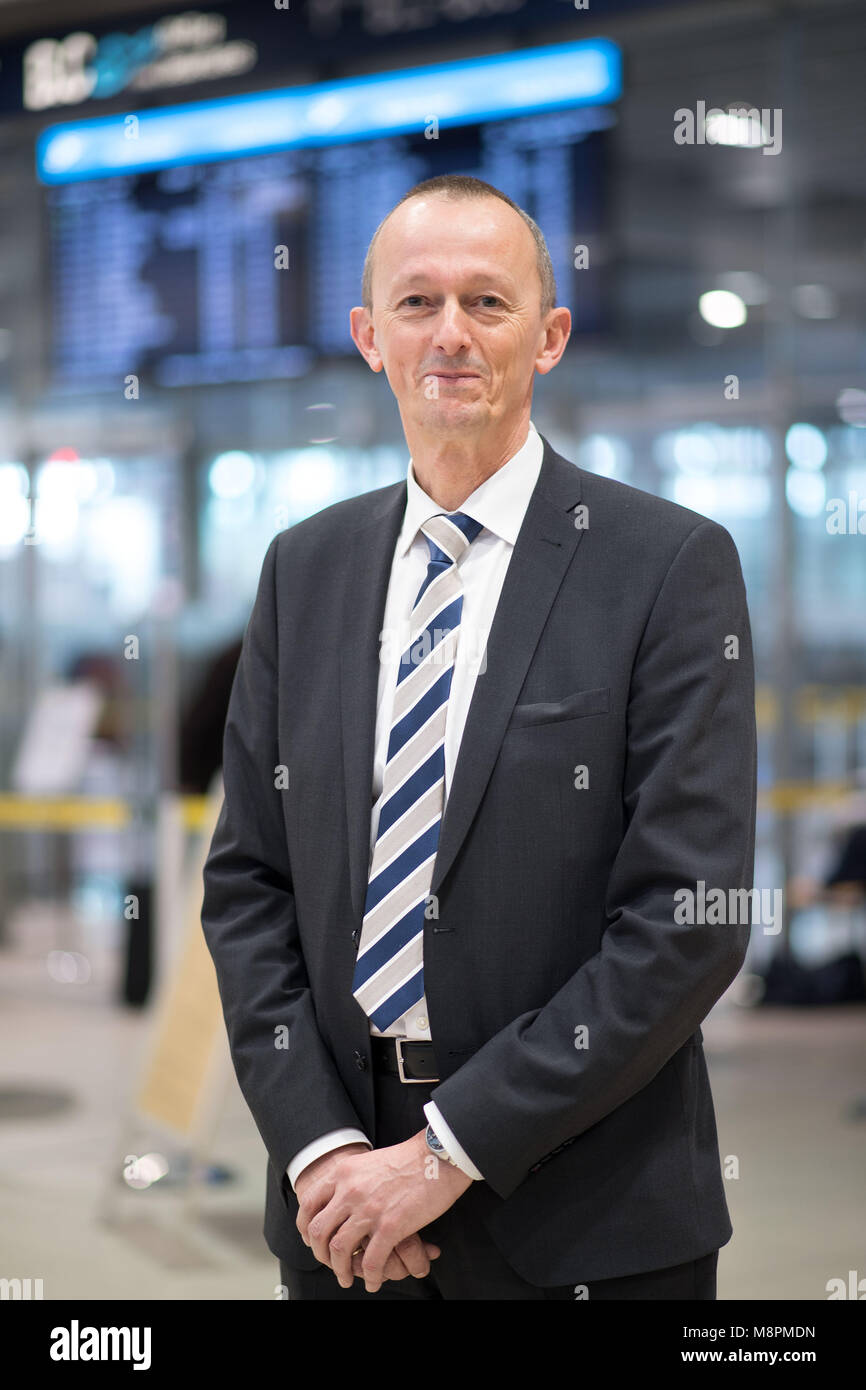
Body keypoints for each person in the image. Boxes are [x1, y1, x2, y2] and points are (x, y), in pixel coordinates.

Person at [201, 174, 757, 1300]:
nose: (448, 333)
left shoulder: (662, 566)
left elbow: (682, 920)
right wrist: (324, 1150)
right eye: (415, 303)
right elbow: (249, 885)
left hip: (585, 1208)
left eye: (486, 303)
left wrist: (447, 1150)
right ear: (367, 336)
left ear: (548, 336)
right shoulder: (303, 570)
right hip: (343, 1219)